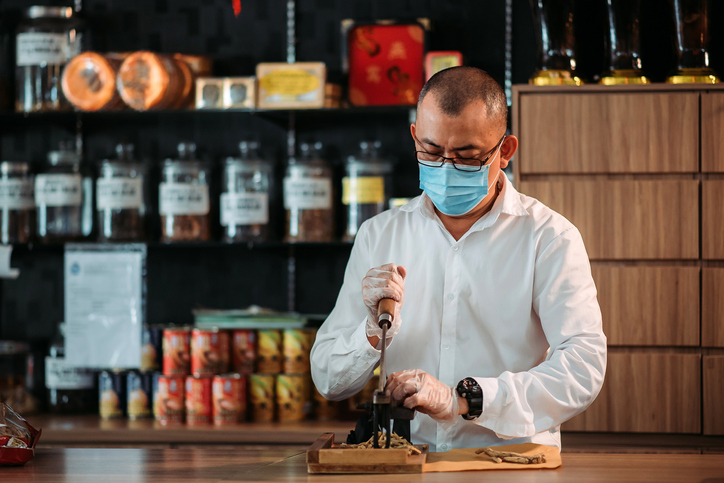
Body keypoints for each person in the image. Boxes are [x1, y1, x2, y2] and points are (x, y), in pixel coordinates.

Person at [310, 66, 606, 451]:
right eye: (432, 151)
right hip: (405, 463)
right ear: (415, 136)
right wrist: (369, 333)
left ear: (505, 151)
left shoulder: (548, 237)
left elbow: (583, 367)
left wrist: (463, 400)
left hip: (508, 463)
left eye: (466, 156)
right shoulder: (380, 235)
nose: (446, 167)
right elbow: (329, 380)